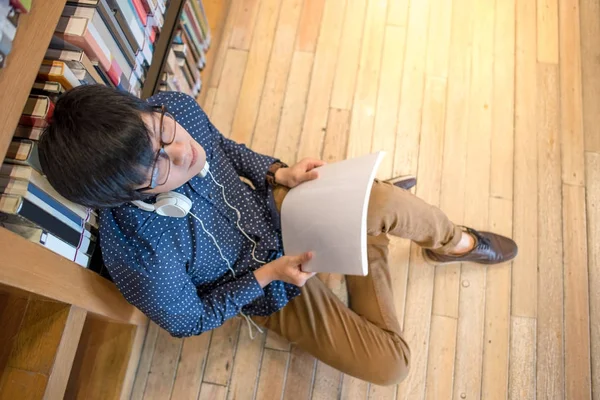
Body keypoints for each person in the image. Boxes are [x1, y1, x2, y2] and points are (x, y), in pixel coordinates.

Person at [38, 85, 517, 386]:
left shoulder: (174, 106)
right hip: (270, 289)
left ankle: (456, 242)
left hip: (278, 211)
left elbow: (222, 147)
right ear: (127, 196)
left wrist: (276, 172)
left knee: (390, 205)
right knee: (392, 366)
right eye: (159, 166)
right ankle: (369, 240)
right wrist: (267, 275)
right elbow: (190, 320)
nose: (182, 151)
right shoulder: (142, 256)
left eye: (164, 131)